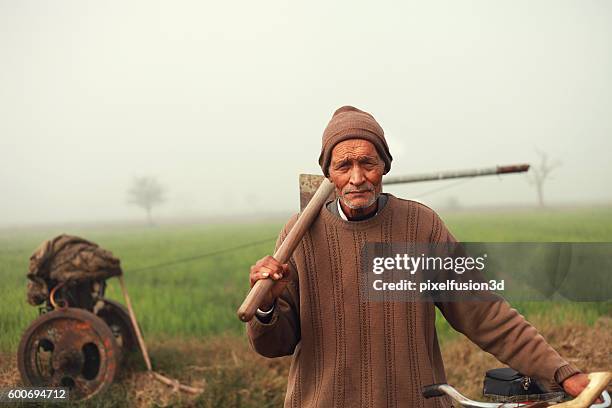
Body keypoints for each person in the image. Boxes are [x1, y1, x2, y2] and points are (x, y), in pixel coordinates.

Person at [246, 106, 590, 407]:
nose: (357, 178)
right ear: (328, 174)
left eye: (367, 163)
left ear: (384, 165)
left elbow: (485, 313)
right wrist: (267, 307)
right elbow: (274, 345)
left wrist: (561, 372)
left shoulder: (420, 227)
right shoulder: (300, 235)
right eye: (343, 166)